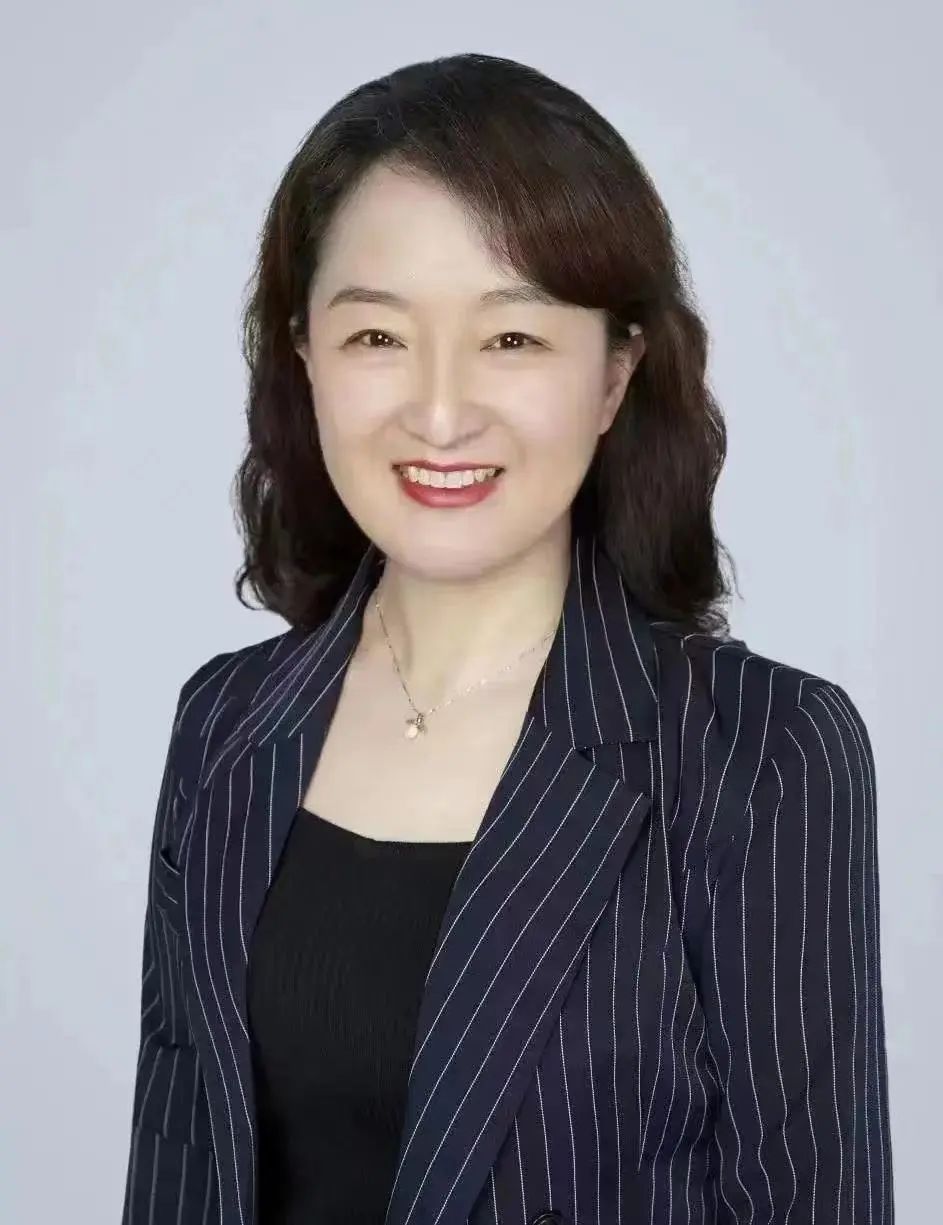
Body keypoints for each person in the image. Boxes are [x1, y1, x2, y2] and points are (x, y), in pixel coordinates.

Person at [120, 52, 893, 1225]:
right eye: (377, 338)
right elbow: (178, 1178)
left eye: (513, 340)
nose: (439, 412)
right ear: (303, 353)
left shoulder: (760, 752)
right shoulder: (226, 725)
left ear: (616, 370)